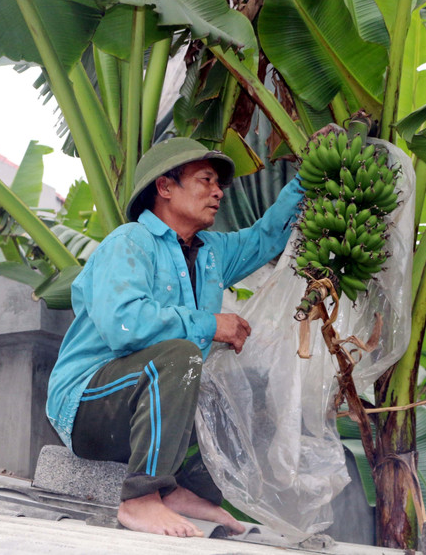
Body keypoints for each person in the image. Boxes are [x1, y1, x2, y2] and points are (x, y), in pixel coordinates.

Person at [46, 137, 303, 538]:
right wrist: (210, 324)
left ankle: (185, 491)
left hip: (152, 400)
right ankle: (141, 499)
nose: (217, 191)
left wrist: (308, 181)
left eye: (219, 184)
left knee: (250, 382)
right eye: (205, 180)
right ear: (165, 188)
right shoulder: (129, 242)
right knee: (181, 356)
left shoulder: (212, 253)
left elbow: (267, 237)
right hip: (89, 407)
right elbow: (124, 325)